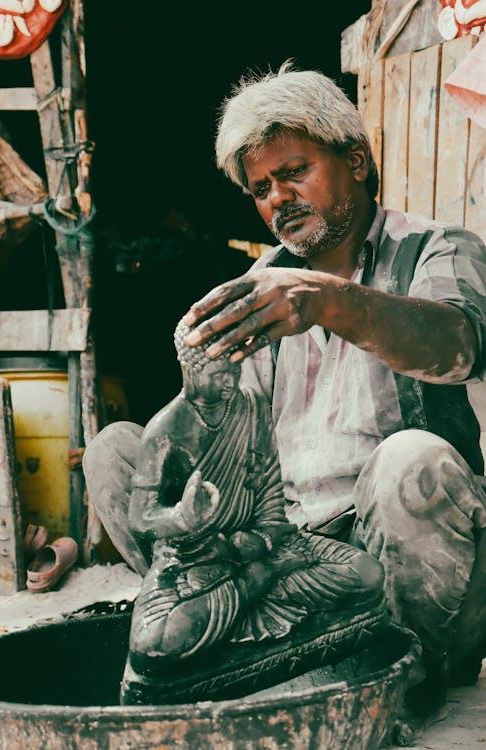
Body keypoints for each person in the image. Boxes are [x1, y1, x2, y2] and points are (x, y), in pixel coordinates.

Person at [178, 60, 486, 713]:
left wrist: (327, 302)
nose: (278, 198)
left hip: (418, 577)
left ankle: (402, 681)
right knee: (119, 454)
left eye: (294, 172)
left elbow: (459, 348)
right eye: (261, 188)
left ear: (356, 161)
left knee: (412, 459)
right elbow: (232, 461)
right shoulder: (258, 288)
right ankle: (286, 667)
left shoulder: (436, 248)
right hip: (305, 574)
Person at [84, 319, 385, 681]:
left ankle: (241, 602)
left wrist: (263, 541)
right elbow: (141, 518)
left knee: (367, 574)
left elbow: (271, 497)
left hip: (261, 552)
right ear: (190, 369)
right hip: (193, 562)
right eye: (217, 373)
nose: (229, 382)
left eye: (234, 370)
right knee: (154, 642)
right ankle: (250, 591)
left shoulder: (252, 406)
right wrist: (182, 518)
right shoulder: (167, 430)